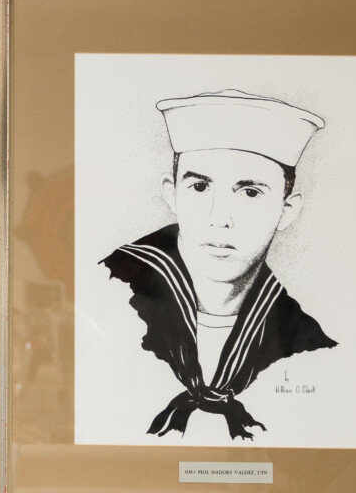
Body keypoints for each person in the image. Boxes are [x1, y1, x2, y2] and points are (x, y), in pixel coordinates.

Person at [100, 88, 336, 440]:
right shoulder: (108, 293)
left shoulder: (302, 342)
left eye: (250, 192)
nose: (220, 218)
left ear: (286, 211)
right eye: (199, 187)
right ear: (172, 194)